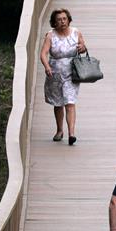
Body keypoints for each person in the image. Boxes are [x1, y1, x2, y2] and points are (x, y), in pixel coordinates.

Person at [39, 8, 87, 145]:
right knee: (58, 103)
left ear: (68, 19)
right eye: (59, 20)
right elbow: (43, 53)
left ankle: (72, 133)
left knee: (70, 102)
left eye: (64, 19)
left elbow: (83, 47)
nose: (62, 22)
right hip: (54, 74)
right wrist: (47, 66)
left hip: (72, 73)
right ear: (54, 22)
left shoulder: (76, 32)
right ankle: (60, 130)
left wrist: (82, 48)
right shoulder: (50, 35)